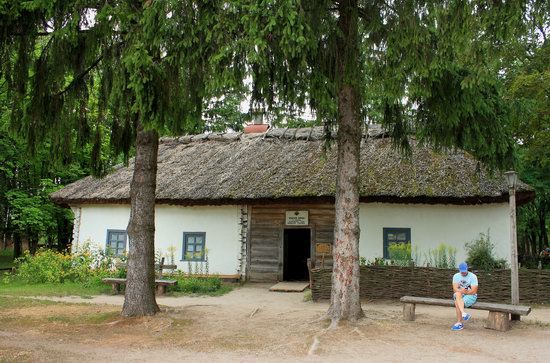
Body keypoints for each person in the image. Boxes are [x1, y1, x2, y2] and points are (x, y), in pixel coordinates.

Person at [451, 262, 478, 331]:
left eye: (465, 271)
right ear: (459, 270)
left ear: (467, 269)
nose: (463, 273)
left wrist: (464, 291)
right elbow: (455, 289)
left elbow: (474, 291)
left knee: (457, 302)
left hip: (471, 295)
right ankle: (463, 313)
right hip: (460, 294)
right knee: (457, 294)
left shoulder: (473, 276)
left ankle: (459, 323)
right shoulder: (456, 276)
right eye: (462, 272)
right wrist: (462, 291)